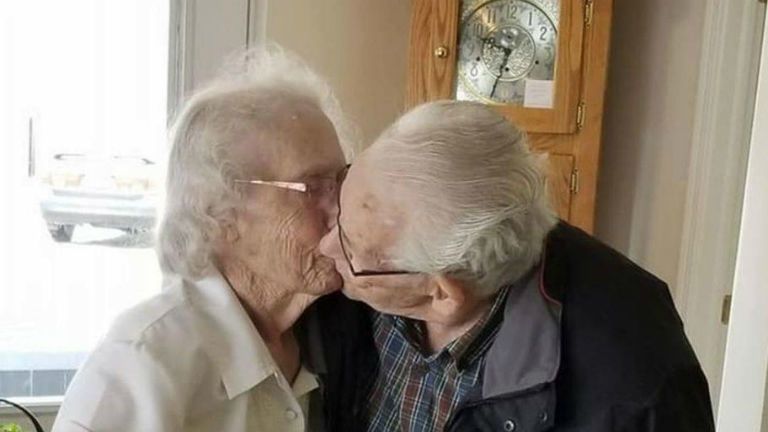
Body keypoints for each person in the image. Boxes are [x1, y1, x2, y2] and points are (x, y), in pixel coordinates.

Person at [316, 100, 715, 431]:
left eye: (351, 249)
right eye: (340, 207)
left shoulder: (638, 396)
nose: (325, 244)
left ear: (442, 296)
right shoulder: (367, 285)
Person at [52, 47, 354, 432]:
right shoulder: (143, 363)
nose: (344, 208)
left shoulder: (339, 331)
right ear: (220, 212)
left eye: (343, 180)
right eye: (313, 187)